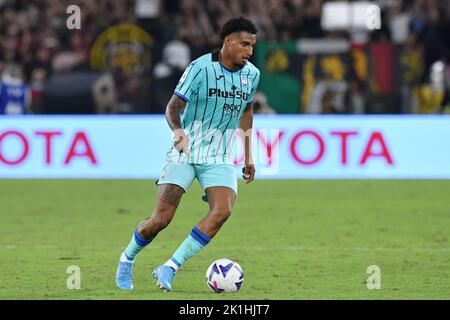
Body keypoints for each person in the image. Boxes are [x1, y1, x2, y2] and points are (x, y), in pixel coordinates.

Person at [115, 16, 260, 292]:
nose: (250, 51)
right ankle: (127, 258)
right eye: (245, 44)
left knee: (222, 211)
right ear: (228, 41)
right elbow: (172, 107)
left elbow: (247, 111)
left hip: (219, 155)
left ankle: (169, 267)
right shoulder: (200, 68)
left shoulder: (251, 75)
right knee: (160, 221)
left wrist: (248, 155)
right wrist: (178, 132)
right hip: (186, 151)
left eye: (252, 45)